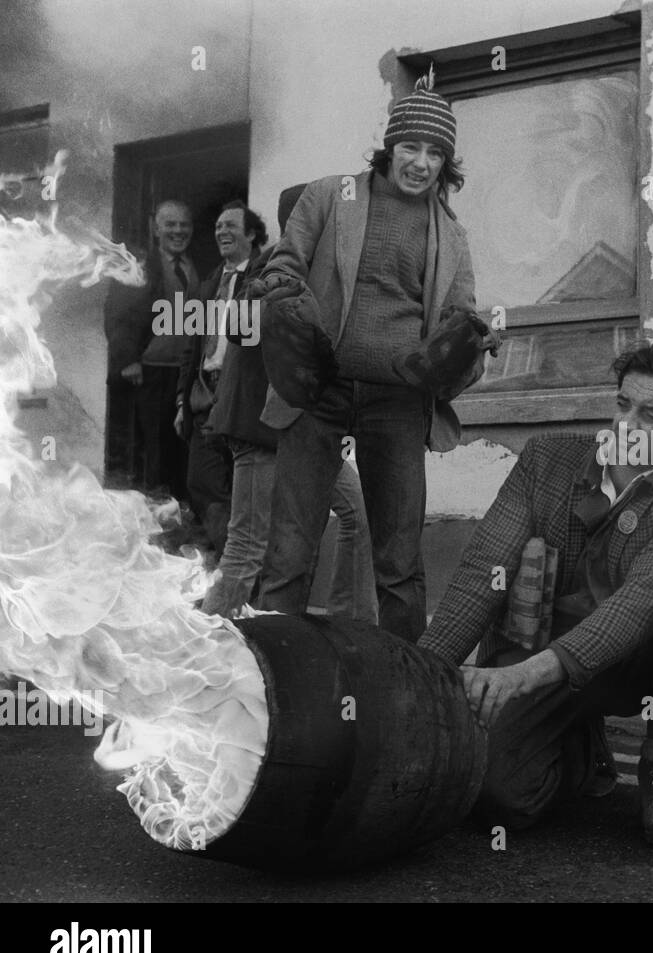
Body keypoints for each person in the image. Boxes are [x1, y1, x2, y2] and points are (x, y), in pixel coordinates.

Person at [417, 343, 653, 847]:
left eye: (652, 416)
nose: (627, 425)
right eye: (623, 405)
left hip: (636, 662)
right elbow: (483, 571)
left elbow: (635, 607)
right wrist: (419, 682)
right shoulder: (547, 460)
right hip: (548, 659)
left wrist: (520, 678)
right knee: (500, 800)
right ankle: (580, 748)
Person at [255, 69, 478, 642]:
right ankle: (274, 677)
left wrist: (469, 343)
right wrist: (282, 292)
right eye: (410, 146)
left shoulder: (452, 238)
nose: (420, 162)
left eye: (435, 153)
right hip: (318, 387)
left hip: (399, 401)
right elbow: (284, 261)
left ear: (445, 164)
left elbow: (461, 319)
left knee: (399, 562)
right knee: (289, 551)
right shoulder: (332, 195)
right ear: (388, 149)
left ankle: (406, 687)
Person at [202, 186, 376, 623]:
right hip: (261, 428)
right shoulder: (273, 266)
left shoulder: (321, 267)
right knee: (247, 548)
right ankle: (203, 646)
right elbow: (242, 333)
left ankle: (347, 627)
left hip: (305, 429)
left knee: (358, 511)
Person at [175, 200, 266, 556]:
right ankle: (230, 565)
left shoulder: (263, 276)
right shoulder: (209, 284)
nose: (221, 232)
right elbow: (190, 350)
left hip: (243, 397)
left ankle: (242, 572)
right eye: (217, 227)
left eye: (230, 225)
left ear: (252, 233)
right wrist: (182, 401)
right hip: (204, 396)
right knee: (202, 483)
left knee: (246, 488)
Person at [103, 200, 199, 499]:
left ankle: (173, 515)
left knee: (176, 446)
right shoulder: (140, 265)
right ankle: (150, 517)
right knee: (149, 449)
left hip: (180, 374)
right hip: (149, 371)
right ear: (155, 229)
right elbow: (119, 314)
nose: (178, 231)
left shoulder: (190, 267)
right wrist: (129, 360)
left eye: (184, 225)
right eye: (170, 225)